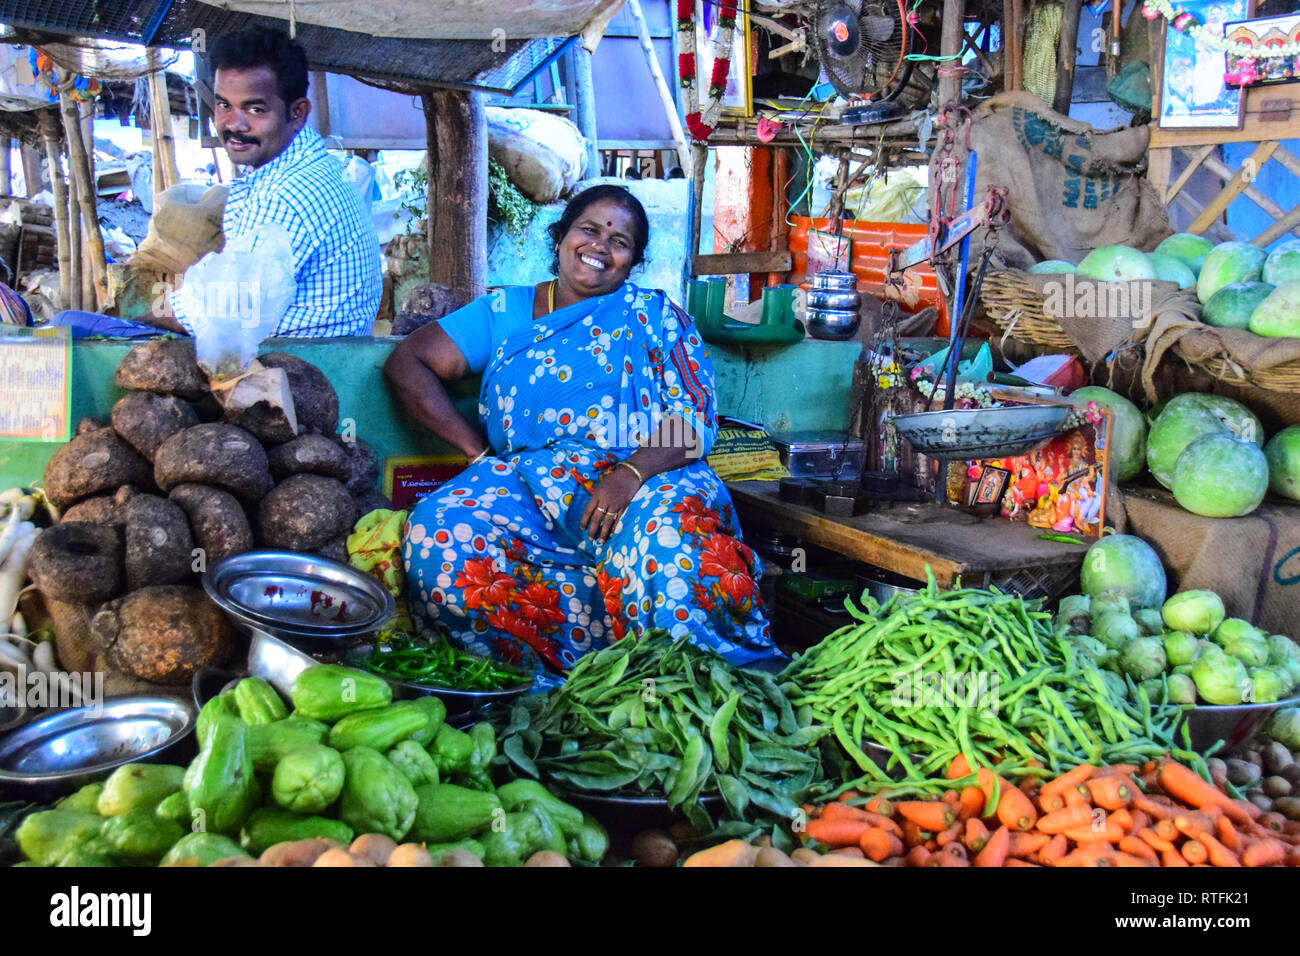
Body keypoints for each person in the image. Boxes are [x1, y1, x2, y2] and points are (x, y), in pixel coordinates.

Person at [384, 185, 781, 681]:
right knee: (440, 528)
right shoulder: (505, 312)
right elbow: (408, 363)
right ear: (562, 236)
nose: (600, 246)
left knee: (673, 537)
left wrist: (630, 474)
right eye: (589, 229)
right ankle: (523, 690)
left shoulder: (655, 316)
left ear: (633, 261)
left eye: (620, 241)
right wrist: (478, 452)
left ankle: (686, 689)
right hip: (530, 484)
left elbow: (694, 417)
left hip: (650, 477)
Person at [52, 26, 380, 339]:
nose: (233, 124)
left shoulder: (291, 191)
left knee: (70, 325)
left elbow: (224, 308)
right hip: (272, 345)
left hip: (288, 361)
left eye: (254, 109)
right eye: (224, 105)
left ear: (297, 112)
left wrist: (142, 321)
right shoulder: (295, 170)